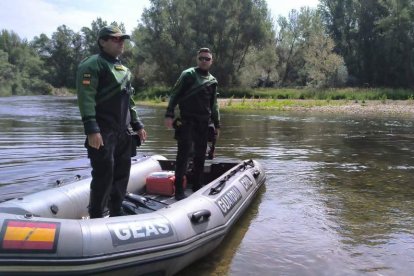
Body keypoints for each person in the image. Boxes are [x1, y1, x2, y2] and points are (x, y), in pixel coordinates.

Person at [76, 25, 147, 218]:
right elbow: (86, 97)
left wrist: (137, 124)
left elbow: (129, 100)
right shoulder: (93, 64)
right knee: (104, 175)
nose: (121, 42)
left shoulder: (124, 70)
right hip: (102, 131)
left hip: (123, 132)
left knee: (122, 173)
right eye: (115, 39)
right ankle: (97, 214)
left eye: (122, 39)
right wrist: (91, 128)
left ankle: (116, 209)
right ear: (103, 41)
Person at [165, 48, 220, 200]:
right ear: (197, 59)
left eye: (207, 59)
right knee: (183, 156)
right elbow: (175, 95)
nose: (204, 61)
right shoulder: (188, 74)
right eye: (201, 58)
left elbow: (214, 104)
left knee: (200, 156)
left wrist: (217, 124)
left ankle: (197, 185)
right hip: (187, 122)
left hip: (204, 124)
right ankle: (179, 191)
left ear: (211, 61)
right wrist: (169, 114)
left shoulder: (213, 81)